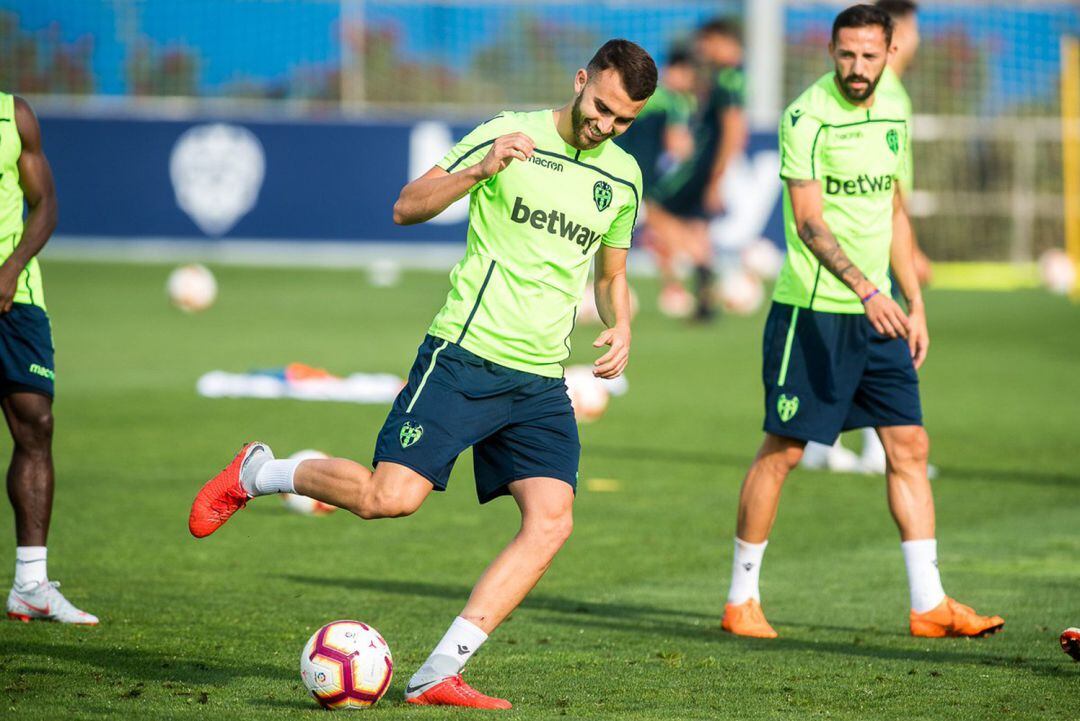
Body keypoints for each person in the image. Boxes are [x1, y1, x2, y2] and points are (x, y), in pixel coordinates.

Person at [188, 40, 655, 709]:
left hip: (540, 378)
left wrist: (622, 322)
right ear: (581, 81)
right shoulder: (505, 133)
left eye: (623, 121)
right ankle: (259, 471)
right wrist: (480, 170)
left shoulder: (623, 177)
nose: (604, 127)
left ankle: (438, 670)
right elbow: (407, 205)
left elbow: (612, 277)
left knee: (551, 521)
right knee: (389, 498)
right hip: (465, 354)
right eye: (601, 108)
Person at [720, 5, 1003, 640]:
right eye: (846, 54)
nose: (856, 67)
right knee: (784, 451)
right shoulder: (806, 117)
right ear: (829, 49)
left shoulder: (894, 109)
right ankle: (742, 599)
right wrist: (870, 289)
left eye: (869, 56)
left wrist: (914, 302)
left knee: (910, 447)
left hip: (883, 313)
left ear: (889, 51)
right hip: (816, 313)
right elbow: (810, 223)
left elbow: (895, 212)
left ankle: (929, 604)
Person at [803, 0, 934, 475]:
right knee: (877, 339)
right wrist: (912, 250)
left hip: (875, 242)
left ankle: (834, 442)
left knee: (865, 341)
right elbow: (891, 194)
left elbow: (893, 194)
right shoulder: (886, 94)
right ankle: (876, 448)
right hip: (860, 250)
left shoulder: (890, 94)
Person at [1, 95, 97, 625]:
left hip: (18, 300)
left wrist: (12, 268)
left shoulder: (13, 116)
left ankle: (30, 584)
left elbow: (47, 204)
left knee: (36, 424)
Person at [649, 18, 748, 320]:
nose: (702, 50)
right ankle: (704, 294)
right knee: (697, 226)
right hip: (705, 167)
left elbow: (734, 129)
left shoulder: (731, 79)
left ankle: (704, 271)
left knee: (653, 206)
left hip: (702, 167)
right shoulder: (723, 77)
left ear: (720, 39)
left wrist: (716, 178)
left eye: (705, 43)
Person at [615, 48, 696, 317]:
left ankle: (675, 287)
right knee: (665, 230)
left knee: (653, 233)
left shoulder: (641, 97)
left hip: (612, 169)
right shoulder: (675, 102)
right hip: (640, 177)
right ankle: (678, 287)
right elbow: (678, 145)